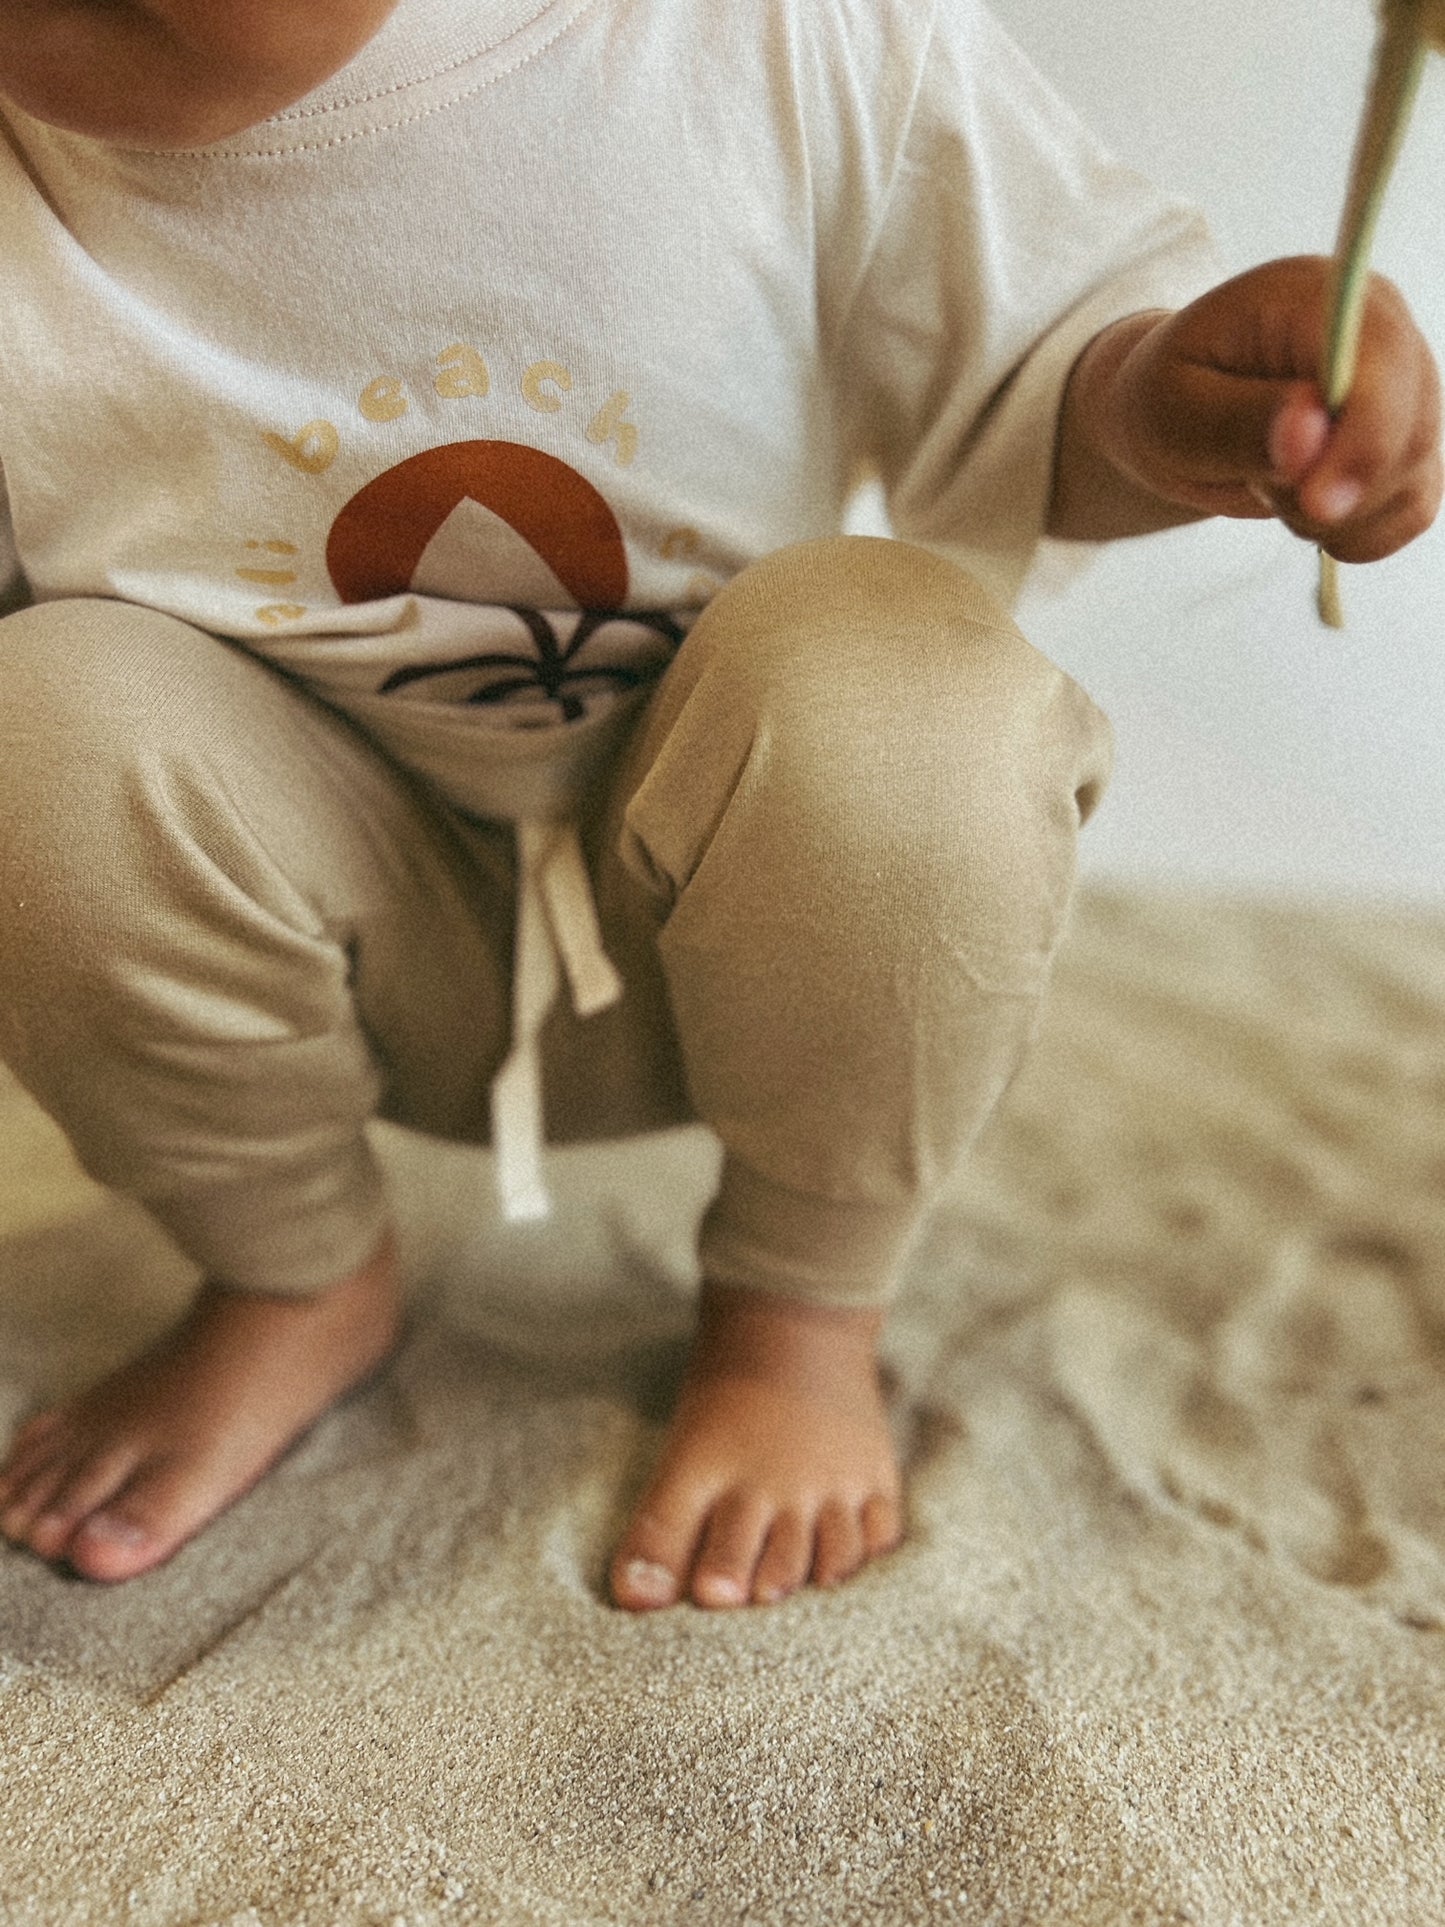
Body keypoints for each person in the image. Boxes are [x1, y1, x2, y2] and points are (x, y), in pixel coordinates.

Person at [0, 0, 1437, 1610]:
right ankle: (290, 1276)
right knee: (31, 720)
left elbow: (1040, 386)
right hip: (310, 956)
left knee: (901, 678)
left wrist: (1169, 408)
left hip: (763, 928)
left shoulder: (765, 37)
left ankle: (798, 1313)